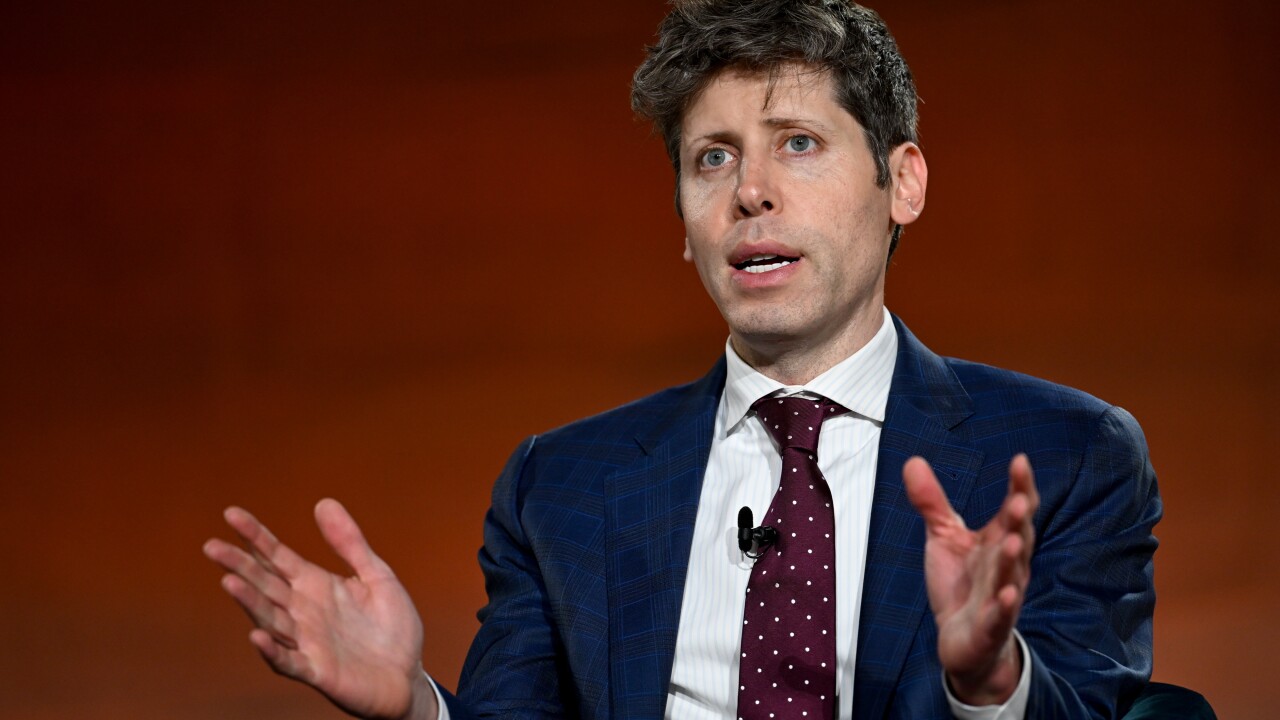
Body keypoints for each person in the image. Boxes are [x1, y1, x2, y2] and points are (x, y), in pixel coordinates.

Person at [203, 2, 1160, 719]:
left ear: (901, 182)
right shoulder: (561, 486)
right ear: (684, 222)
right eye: (712, 159)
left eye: (798, 144)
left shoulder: (1068, 452)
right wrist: (417, 705)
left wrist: (991, 681)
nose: (750, 191)